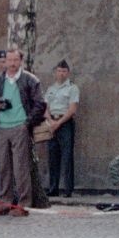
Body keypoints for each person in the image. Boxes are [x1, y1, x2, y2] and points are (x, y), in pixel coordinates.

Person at [0, 47, 47, 216]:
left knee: (21, 167)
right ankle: (5, 202)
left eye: (15, 60)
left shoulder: (30, 80)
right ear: (5, 61)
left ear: (20, 61)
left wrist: (27, 123)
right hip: (2, 126)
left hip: (20, 126)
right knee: (3, 167)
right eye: (9, 60)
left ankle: (23, 204)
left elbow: (40, 104)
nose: (12, 64)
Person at [44, 59, 79, 197]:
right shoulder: (50, 89)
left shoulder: (72, 88)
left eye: (64, 71)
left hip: (65, 123)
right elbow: (44, 108)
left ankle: (68, 190)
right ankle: (53, 188)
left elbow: (72, 109)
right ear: (55, 72)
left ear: (68, 73)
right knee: (53, 157)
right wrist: (50, 121)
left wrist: (58, 123)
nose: (61, 74)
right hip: (52, 122)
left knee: (67, 157)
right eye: (59, 71)